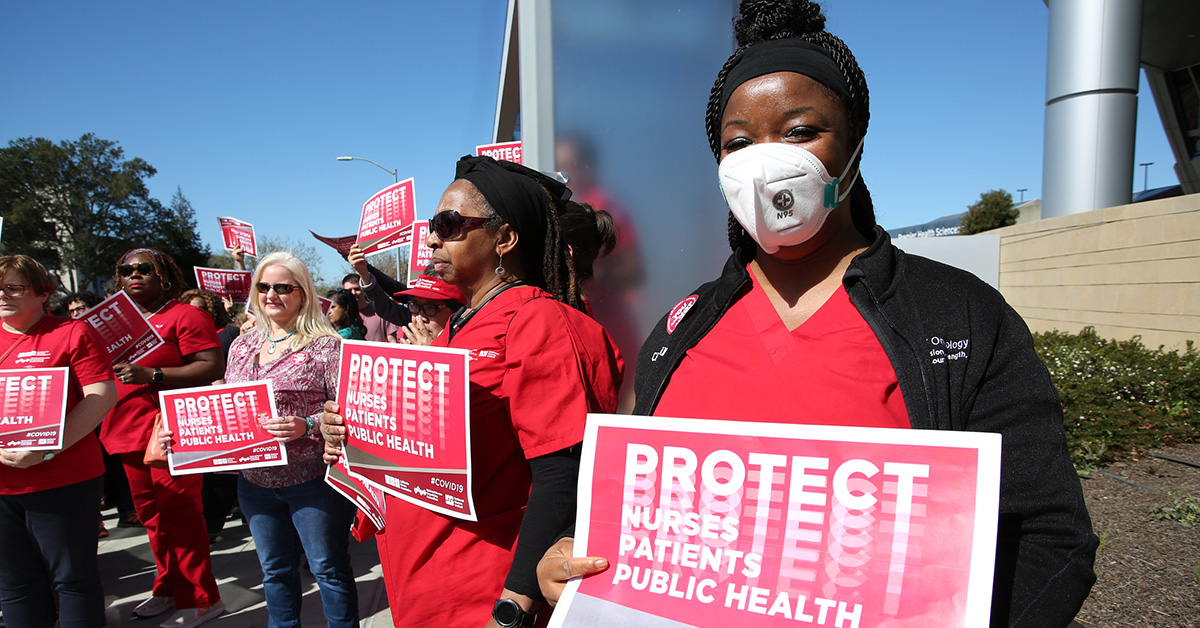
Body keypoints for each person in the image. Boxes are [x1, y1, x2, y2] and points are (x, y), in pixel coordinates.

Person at [536, 2, 1098, 627]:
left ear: (854, 144)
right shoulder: (678, 330)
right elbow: (644, 527)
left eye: (800, 131)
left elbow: (1048, 540)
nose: (766, 160)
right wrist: (575, 561)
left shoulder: (958, 317)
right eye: (738, 142)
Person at [320, 155, 623, 626]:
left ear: (503, 239)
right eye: (432, 225)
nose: (434, 237)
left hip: (479, 590)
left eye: (450, 223)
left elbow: (563, 476)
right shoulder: (454, 329)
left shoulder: (540, 322)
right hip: (422, 578)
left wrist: (512, 609)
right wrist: (350, 430)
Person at [162, 252, 359, 628]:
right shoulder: (241, 345)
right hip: (254, 483)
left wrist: (307, 424)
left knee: (328, 570)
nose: (272, 294)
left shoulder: (327, 346)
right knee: (275, 572)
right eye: (264, 286)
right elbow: (228, 407)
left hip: (312, 481)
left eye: (283, 287)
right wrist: (186, 429)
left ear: (303, 293)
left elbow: (348, 411)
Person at [98, 247, 226, 627]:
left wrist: (152, 374)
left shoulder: (186, 314)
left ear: (164, 276)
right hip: (124, 431)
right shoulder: (111, 323)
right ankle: (166, 588)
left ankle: (202, 598)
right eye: (126, 269)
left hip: (171, 431)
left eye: (144, 269)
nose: (134, 274)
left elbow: (210, 366)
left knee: (181, 514)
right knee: (151, 517)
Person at [0, 255, 117, 628]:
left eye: (15, 287)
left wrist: (48, 447)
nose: (4, 295)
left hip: (64, 481)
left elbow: (101, 395)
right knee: (15, 585)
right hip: (3, 489)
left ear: (43, 292)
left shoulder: (71, 333)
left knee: (73, 581)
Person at [179, 288, 242, 542]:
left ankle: (213, 524)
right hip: (193, 411)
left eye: (202, 309)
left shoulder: (228, 334)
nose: (196, 314)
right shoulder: (180, 337)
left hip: (222, 408)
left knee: (221, 476)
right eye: (191, 309)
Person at [345, 244, 413, 330]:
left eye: (430, 307)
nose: (422, 317)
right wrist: (364, 270)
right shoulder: (414, 317)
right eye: (414, 306)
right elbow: (391, 297)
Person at [392, 268, 463, 345]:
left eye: (430, 308)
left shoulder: (469, 352)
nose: (420, 318)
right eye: (415, 306)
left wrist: (429, 354)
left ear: (457, 312)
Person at [340, 272, 400, 342]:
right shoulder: (340, 315)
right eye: (349, 290)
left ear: (363, 289)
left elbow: (392, 341)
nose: (353, 293)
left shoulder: (380, 310)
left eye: (357, 289)